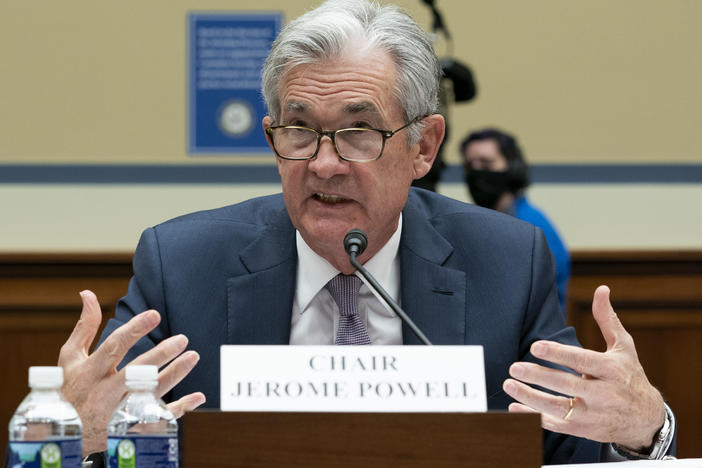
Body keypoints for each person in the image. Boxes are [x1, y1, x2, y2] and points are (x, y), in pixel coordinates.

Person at [54, 0, 674, 465]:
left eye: (358, 132)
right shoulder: (182, 264)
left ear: (423, 146)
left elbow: (570, 451)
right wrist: (72, 434)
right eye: (299, 130)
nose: (323, 163)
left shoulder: (506, 263)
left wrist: (645, 431)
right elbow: (107, 443)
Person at [461, 128, 571, 315]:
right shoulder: (477, 223)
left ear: (512, 167)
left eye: (486, 164)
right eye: (471, 166)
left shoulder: (533, 226)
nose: (477, 172)